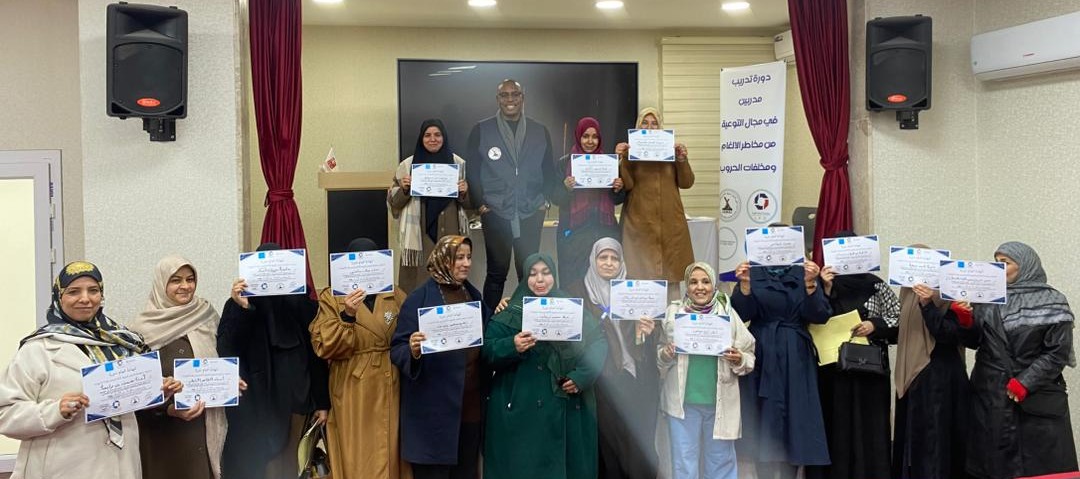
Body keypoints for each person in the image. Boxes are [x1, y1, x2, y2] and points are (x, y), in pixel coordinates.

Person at [0, 261, 181, 479]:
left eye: (93, 290)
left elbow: (129, 400)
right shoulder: (38, 349)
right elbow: (6, 414)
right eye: (74, 292)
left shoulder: (121, 343)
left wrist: (158, 391)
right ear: (59, 297)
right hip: (64, 467)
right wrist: (55, 410)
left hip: (121, 464)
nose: (85, 298)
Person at [482, 253, 608, 479]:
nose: (540, 280)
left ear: (554, 276)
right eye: (533, 274)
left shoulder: (570, 308)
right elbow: (487, 351)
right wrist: (512, 345)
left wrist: (582, 376)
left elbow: (598, 341)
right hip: (522, 409)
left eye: (546, 273)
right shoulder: (511, 310)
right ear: (525, 278)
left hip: (565, 404)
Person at [957, 241, 1077, 479]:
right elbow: (976, 341)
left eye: (1006, 263)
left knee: (1038, 468)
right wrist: (966, 319)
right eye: (996, 262)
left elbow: (1057, 352)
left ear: (1025, 265)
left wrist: (1026, 382)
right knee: (992, 467)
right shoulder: (988, 298)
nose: (999, 268)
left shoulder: (1054, 300)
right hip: (990, 394)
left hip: (1035, 398)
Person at [218, 243, 330, 479]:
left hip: (298, 400)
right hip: (258, 404)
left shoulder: (301, 303)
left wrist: (322, 402)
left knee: (293, 464)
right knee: (261, 464)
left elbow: (316, 355)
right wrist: (243, 308)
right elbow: (227, 348)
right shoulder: (238, 304)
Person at [310, 238, 410, 479]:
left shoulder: (394, 293)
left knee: (389, 446)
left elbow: (409, 330)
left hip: (390, 381)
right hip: (352, 385)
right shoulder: (332, 297)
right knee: (356, 449)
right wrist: (348, 316)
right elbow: (323, 345)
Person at [391, 235, 490, 479]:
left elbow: (489, 335)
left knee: (466, 472)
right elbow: (397, 348)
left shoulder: (473, 295)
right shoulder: (418, 299)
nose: (466, 263)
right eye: (459, 258)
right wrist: (413, 350)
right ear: (443, 260)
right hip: (433, 414)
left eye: (469, 257)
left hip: (469, 409)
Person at [806, 237, 900, 479]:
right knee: (836, 424)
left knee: (870, 426)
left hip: (870, 372)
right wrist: (826, 288)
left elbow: (898, 319)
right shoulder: (822, 285)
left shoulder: (876, 285)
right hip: (833, 372)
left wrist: (874, 325)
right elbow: (812, 316)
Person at [129, 256, 230, 479]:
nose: (185, 286)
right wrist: (168, 408)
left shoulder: (207, 316)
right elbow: (134, 390)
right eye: (175, 280)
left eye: (190, 279)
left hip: (205, 428)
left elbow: (223, 358)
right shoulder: (141, 331)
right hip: (164, 435)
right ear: (161, 283)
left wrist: (230, 381)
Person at [731, 258, 832, 479]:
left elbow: (820, 315)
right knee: (762, 417)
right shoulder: (753, 273)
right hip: (762, 353)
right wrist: (745, 286)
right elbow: (739, 315)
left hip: (796, 355)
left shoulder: (803, 272)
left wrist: (810, 284)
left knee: (796, 416)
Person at [568, 237, 660, 479]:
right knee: (608, 445)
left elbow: (651, 340)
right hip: (602, 380)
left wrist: (647, 332)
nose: (609, 263)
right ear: (593, 259)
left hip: (635, 377)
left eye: (614, 258)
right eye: (603, 257)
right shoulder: (578, 292)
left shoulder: (634, 290)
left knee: (638, 442)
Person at [658, 262, 756, 479]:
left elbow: (749, 356)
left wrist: (739, 358)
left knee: (721, 463)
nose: (700, 287)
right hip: (682, 404)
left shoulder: (727, 313)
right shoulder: (674, 313)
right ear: (686, 286)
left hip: (719, 404)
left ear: (713, 285)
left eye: (705, 281)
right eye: (693, 282)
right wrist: (665, 353)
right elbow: (659, 356)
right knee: (684, 464)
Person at [466, 79, 555, 310]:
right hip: (496, 211)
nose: (510, 100)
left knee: (529, 272)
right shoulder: (481, 130)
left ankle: (528, 321)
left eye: (515, 94)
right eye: (504, 95)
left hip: (530, 210)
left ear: (522, 98)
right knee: (496, 273)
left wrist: (544, 201)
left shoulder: (539, 130)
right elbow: (472, 171)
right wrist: (480, 204)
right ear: (498, 99)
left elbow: (548, 169)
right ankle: (489, 324)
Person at [892, 267, 972, 479]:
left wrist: (928, 305)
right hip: (912, 376)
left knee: (935, 446)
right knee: (913, 444)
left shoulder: (950, 296)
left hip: (941, 378)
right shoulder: (907, 294)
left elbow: (949, 334)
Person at [614, 107, 694, 299]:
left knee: (671, 281)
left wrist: (681, 160)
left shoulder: (671, 152)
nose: (649, 127)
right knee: (641, 282)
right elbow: (628, 184)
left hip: (669, 226)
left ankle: (670, 318)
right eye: (644, 123)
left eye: (654, 123)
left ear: (660, 127)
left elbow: (687, 182)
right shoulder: (631, 153)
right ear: (638, 126)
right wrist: (623, 159)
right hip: (639, 225)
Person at [389, 119, 471, 291]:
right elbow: (393, 204)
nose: (432, 139)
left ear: (444, 137)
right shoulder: (407, 166)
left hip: (450, 231)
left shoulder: (459, 164)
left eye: (437, 135)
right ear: (421, 138)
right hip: (418, 236)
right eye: (427, 135)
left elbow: (472, 206)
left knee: (449, 283)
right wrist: (404, 189)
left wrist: (464, 192)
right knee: (417, 286)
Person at [547, 117, 625, 287]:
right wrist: (566, 187)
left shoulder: (608, 163)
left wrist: (617, 189)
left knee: (604, 281)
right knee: (573, 282)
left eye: (594, 137)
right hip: (573, 234)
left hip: (603, 231)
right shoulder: (565, 163)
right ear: (578, 136)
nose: (590, 141)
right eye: (586, 136)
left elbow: (618, 200)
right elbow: (555, 198)